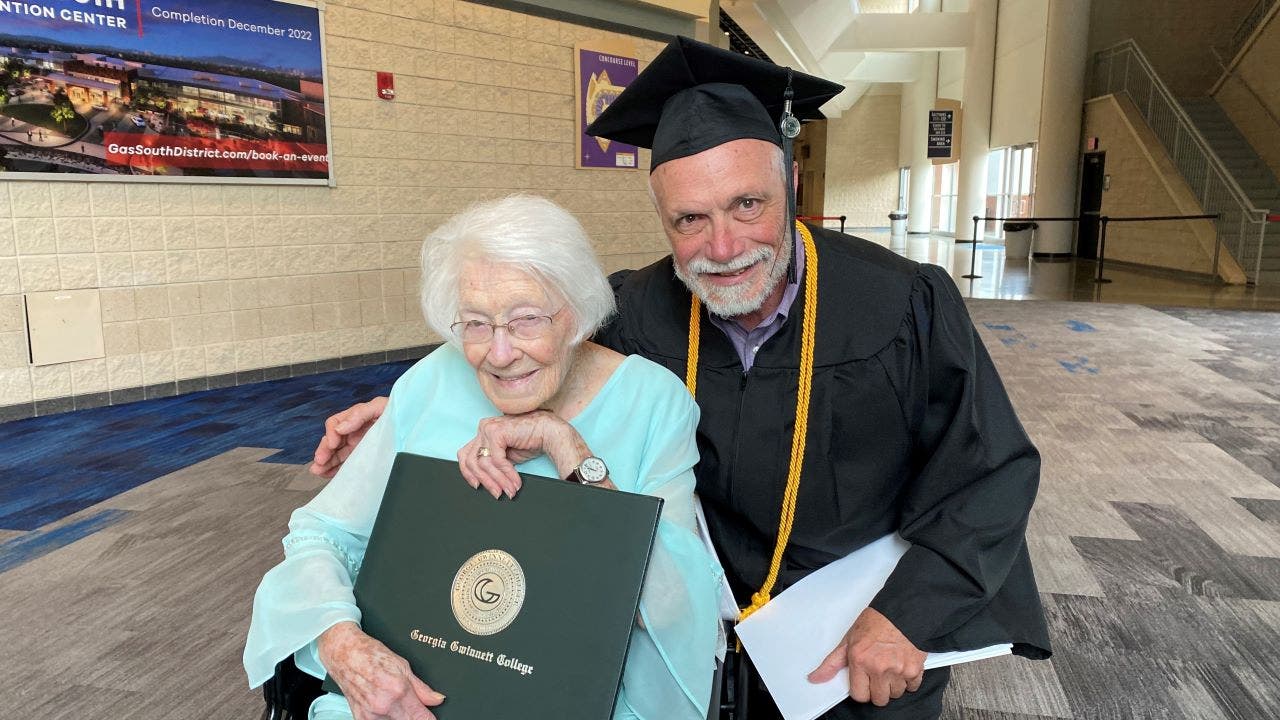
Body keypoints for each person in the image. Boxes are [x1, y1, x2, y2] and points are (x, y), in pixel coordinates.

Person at [312, 37, 1051, 719]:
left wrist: (909, 615)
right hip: (695, 636)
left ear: (790, 183)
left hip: (863, 641)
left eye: (747, 205)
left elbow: (990, 471)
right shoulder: (638, 308)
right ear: (660, 216)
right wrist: (414, 406)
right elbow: (536, 354)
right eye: (689, 220)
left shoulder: (901, 305)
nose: (722, 247)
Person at [246, 195, 725, 720]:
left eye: (526, 320)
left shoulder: (654, 402)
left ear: (580, 316)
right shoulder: (431, 381)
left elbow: (673, 605)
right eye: (475, 323)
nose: (499, 353)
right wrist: (345, 648)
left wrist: (566, 444)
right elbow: (322, 536)